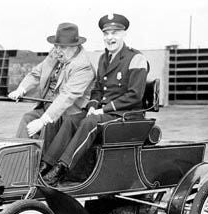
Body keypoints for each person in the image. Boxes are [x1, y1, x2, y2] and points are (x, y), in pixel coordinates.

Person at [43, 13, 149, 186]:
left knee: (89, 122)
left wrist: (103, 110)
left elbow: (134, 95)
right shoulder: (103, 58)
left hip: (125, 116)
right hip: (104, 113)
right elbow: (98, 89)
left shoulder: (136, 58)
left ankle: (61, 169)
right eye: (106, 33)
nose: (110, 37)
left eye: (115, 33)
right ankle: (46, 164)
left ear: (124, 34)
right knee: (71, 120)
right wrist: (92, 105)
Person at [9, 22, 95, 165]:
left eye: (62, 47)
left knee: (46, 126)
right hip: (48, 106)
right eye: (56, 45)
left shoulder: (83, 66)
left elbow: (66, 97)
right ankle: (19, 163)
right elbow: (37, 73)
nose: (57, 50)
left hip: (67, 114)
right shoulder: (56, 53)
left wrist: (42, 120)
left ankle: (38, 169)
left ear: (74, 47)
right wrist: (21, 89)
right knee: (27, 118)